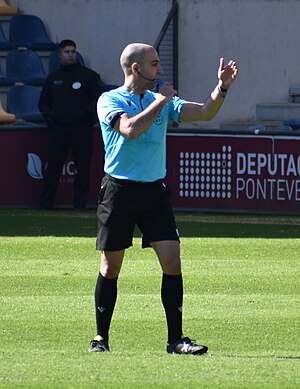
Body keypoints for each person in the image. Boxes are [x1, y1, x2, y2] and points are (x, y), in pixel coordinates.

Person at [89, 43, 238, 354]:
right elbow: (130, 129)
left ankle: (176, 340)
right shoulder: (110, 100)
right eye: (154, 64)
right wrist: (160, 101)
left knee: (172, 261)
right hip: (119, 191)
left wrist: (221, 87)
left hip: (154, 192)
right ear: (136, 68)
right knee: (110, 266)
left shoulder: (162, 99)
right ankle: (101, 338)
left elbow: (204, 112)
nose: (160, 69)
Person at [38, 39, 104, 210]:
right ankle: (46, 204)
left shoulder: (89, 77)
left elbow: (97, 101)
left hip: (82, 129)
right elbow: (43, 104)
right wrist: (54, 117)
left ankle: (79, 205)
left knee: (82, 168)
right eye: (67, 52)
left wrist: (83, 115)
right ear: (59, 55)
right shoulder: (53, 79)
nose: (70, 55)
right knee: (53, 166)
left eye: (73, 51)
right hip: (59, 129)